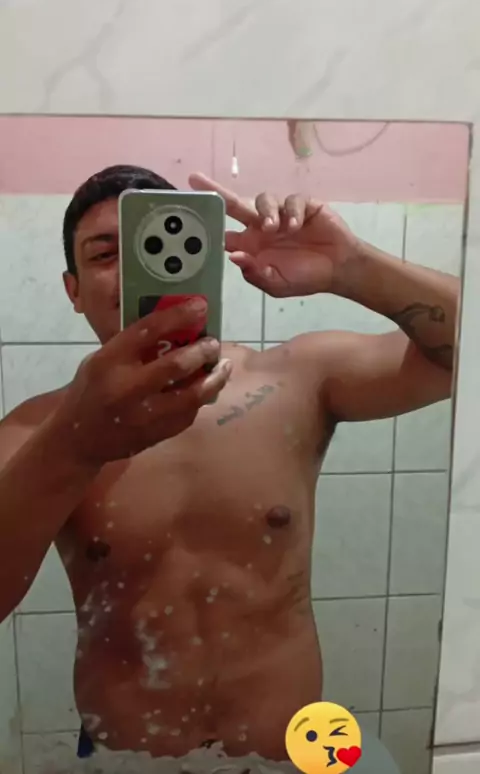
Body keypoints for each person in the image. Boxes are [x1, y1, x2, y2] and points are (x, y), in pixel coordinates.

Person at [0, 164, 457, 766]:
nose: (136, 269)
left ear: (203, 260)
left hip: (293, 755)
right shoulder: (41, 431)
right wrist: (73, 445)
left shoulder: (296, 380)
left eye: (156, 243)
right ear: (73, 289)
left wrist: (354, 268)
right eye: (106, 254)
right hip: (130, 762)